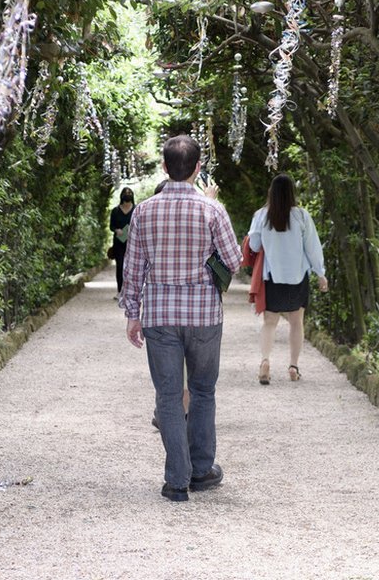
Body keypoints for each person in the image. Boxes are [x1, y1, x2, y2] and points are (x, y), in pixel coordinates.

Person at [122, 135, 242, 502]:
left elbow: (133, 267)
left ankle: (177, 480)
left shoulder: (143, 211)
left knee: (169, 397)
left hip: (159, 315)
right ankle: (202, 471)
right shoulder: (212, 210)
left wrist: (132, 314)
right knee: (203, 391)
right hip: (204, 314)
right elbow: (235, 261)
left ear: (164, 167)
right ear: (198, 167)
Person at [247, 173, 328, 385]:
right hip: (297, 277)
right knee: (296, 322)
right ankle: (293, 366)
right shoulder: (301, 216)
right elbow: (312, 247)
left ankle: (265, 361)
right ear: (292, 193)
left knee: (269, 323)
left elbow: (254, 246)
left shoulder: (261, 216)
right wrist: (321, 273)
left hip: (272, 277)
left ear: (270, 193)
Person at [109, 187, 135, 298]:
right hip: (119, 243)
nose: (127, 194)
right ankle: (120, 290)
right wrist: (116, 230)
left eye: (129, 193)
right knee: (120, 266)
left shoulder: (137, 209)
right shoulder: (115, 211)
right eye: (125, 193)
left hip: (133, 243)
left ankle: (132, 291)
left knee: (132, 267)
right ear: (121, 196)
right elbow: (111, 226)